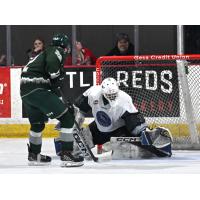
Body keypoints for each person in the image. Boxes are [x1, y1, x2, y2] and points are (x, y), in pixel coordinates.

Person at [55, 77, 173, 159]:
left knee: (151, 145)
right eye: (109, 94)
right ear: (102, 91)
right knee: (66, 148)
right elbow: (79, 109)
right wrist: (72, 123)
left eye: (114, 94)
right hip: (100, 129)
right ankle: (64, 145)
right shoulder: (92, 93)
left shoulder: (124, 99)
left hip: (121, 129)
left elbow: (133, 118)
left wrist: (142, 132)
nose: (112, 96)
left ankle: (159, 140)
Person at [20, 33, 84, 167]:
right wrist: (56, 78)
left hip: (26, 92)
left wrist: (58, 94)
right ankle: (67, 154)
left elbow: (52, 82)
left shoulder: (44, 53)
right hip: (38, 89)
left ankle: (34, 154)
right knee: (67, 118)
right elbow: (53, 73)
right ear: (64, 46)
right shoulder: (56, 50)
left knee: (37, 125)